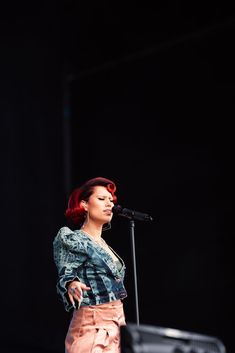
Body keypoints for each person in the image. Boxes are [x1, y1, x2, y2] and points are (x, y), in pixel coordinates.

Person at [53, 176, 128, 353]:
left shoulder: (103, 245)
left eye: (111, 200)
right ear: (84, 204)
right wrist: (72, 284)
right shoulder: (75, 239)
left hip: (117, 323)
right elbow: (66, 272)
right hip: (93, 324)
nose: (109, 204)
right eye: (101, 199)